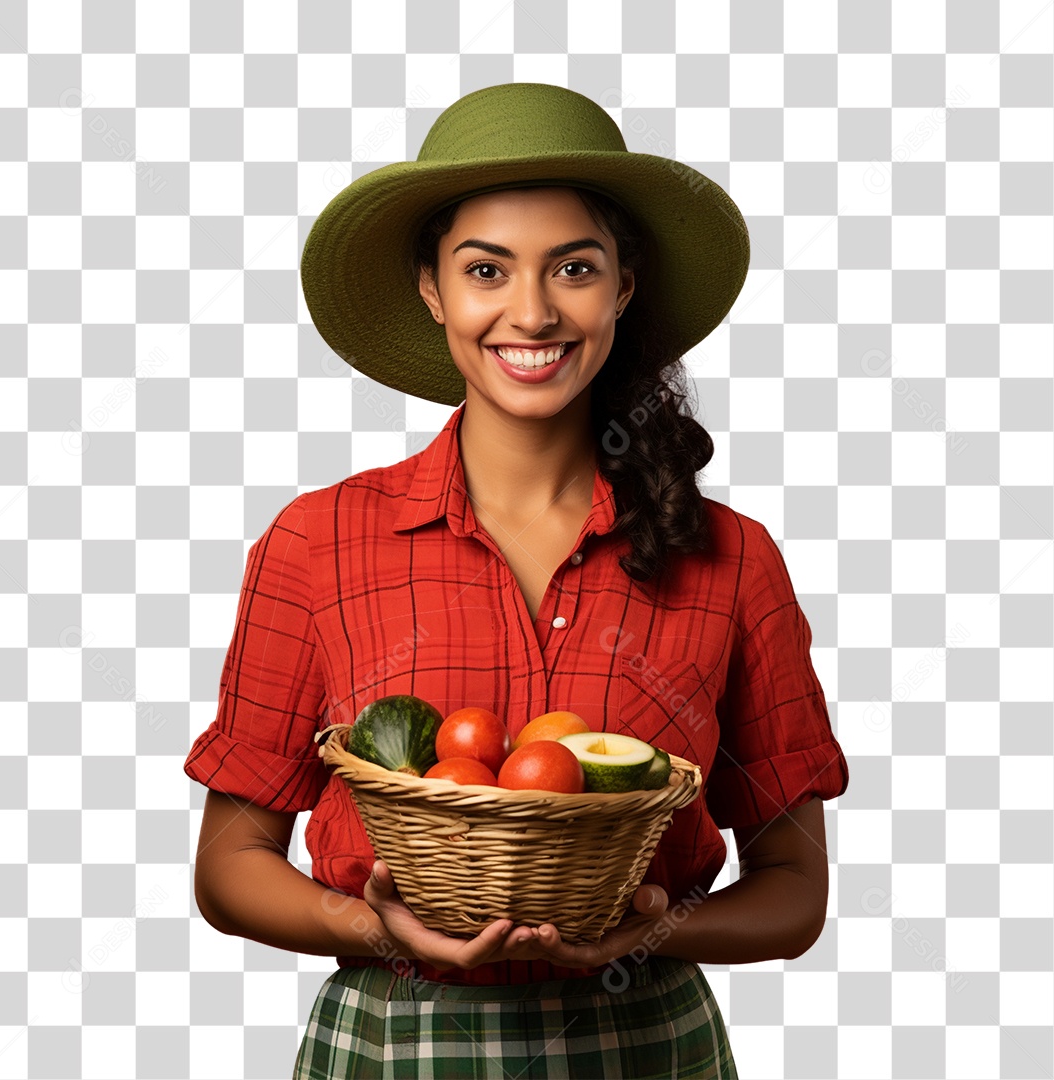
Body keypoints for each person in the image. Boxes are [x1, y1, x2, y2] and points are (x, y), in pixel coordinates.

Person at [182, 82, 849, 1079]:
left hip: (646, 1046)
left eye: (573, 268)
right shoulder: (316, 542)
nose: (531, 311)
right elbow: (231, 866)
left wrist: (647, 935)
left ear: (623, 286)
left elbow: (794, 888)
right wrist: (375, 926)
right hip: (396, 1041)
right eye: (486, 269)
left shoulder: (733, 558)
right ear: (431, 289)